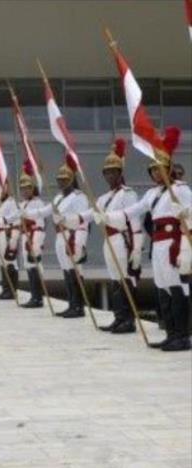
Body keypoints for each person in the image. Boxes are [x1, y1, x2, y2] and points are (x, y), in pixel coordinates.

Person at [96, 127, 190, 351]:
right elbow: (132, 212)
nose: (156, 174)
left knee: (177, 288)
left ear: (168, 168)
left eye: (159, 169)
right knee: (162, 287)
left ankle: (183, 336)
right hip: (157, 244)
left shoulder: (181, 190)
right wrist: (107, 216)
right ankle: (170, 333)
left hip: (174, 243)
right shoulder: (151, 194)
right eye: (153, 170)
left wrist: (186, 213)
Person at [79, 139, 142, 333]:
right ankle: (118, 317)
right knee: (115, 280)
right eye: (107, 172)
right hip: (109, 241)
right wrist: (70, 219)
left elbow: (135, 223)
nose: (109, 175)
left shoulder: (128, 194)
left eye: (113, 171)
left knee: (125, 280)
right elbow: (89, 215)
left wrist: (136, 250)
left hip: (122, 241)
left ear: (120, 173)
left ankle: (128, 320)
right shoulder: (103, 198)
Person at [24, 160, 90, 318]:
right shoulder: (59, 198)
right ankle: (71, 304)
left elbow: (83, 222)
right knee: (66, 271)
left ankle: (78, 307)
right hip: (60, 235)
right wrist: (26, 214)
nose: (61, 182)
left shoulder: (79, 197)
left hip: (72, 236)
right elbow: (43, 212)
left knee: (75, 271)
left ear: (72, 179)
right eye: (59, 180)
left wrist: (78, 243)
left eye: (65, 179)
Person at [14, 165, 47, 308]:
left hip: (34, 235)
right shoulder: (22, 204)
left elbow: (39, 224)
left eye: (27, 187)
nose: (24, 190)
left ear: (33, 188)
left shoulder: (38, 203)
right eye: (22, 188)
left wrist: (35, 244)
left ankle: (38, 298)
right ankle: (34, 296)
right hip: (25, 235)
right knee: (28, 266)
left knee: (34, 265)